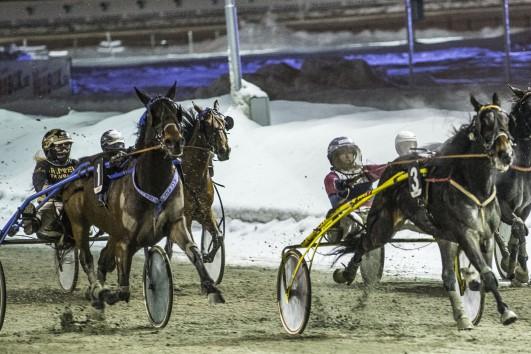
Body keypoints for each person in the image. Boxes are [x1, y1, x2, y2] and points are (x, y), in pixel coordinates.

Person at [323, 136, 384, 242]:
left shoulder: (365, 171)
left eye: (350, 152)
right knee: (353, 220)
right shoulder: (332, 177)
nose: (347, 156)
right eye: (343, 153)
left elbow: (384, 169)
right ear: (335, 157)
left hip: (371, 213)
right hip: (347, 215)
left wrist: (397, 165)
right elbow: (334, 184)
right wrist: (342, 184)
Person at [22, 129, 78, 239]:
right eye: (60, 146)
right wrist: (49, 189)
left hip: (72, 201)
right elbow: (39, 181)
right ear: (48, 147)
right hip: (50, 199)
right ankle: (34, 224)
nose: (64, 150)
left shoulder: (75, 164)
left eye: (67, 146)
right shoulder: (44, 165)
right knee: (48, 209)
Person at [94, 129, 129, 206]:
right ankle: (101, 195)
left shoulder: (127, 152)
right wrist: (112, 162)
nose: (119, 146)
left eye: (120, 143)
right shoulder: (102, 159)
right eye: (116, 144)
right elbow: (106, 168)